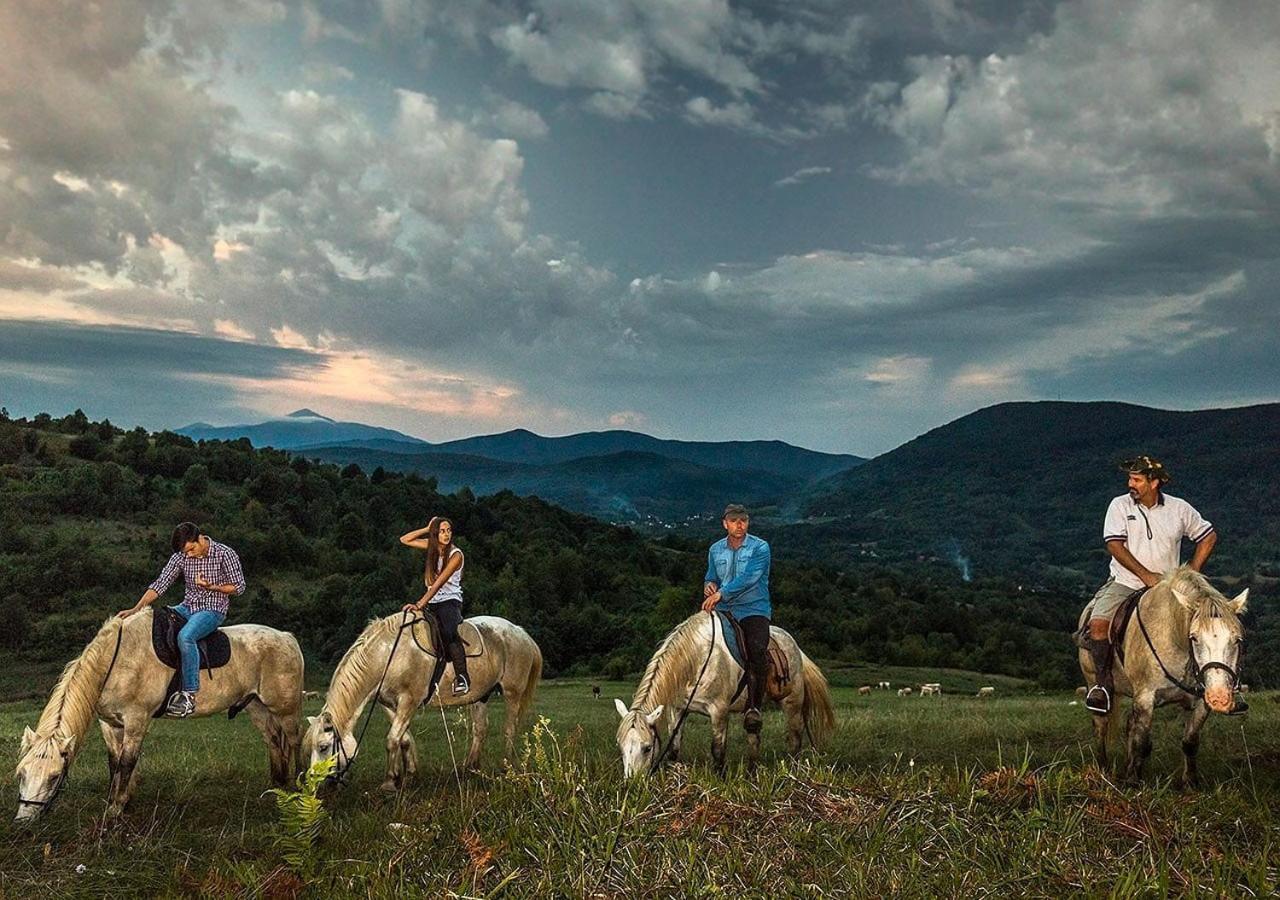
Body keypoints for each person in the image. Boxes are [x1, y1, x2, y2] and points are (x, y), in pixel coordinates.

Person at [1082, 456, 1231, 714]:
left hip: (1171, 588)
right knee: (1098, 623)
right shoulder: (1119, 506)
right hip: (1126, 583)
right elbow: (1114, 546)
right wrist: (1145, 575)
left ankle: (1224, 684)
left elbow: (1208, 537)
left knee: (1219, 624)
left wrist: (1190, 574)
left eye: (1137, 479)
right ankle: (1103, 686)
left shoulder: (1179, 508)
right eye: (1130, 478)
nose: (1131, 484)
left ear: (1155, 482)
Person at [117, 522, 245, 717]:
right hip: (187, 607)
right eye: (185, 552)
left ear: (199, 538)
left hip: (212, 609)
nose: (189, 555)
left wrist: (212, 587)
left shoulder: (224, 554)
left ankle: (189, 695)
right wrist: (136, 608)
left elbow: (239, 586)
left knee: (186, 637)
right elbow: (161, 583)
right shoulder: (181, 556)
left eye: (191, 549)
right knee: (157, 621)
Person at [701, 503, 772, 735]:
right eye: (734, 521)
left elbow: (750, 578)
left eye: (743, 520)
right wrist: (709, 586)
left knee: (756, 649)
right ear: (725, 523)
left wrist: (722, 593)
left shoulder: (760, 548)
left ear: (748, 522)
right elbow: (711, 575)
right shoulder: (715, 550)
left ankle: (753, 707)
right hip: (724, 610)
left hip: (753, 609)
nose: (739, 525)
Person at [401, 517, 470, 696]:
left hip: (449, 601)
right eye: (442, 531)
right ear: (435, 534)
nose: (446, 534)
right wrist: (426, 527)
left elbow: (439, 582)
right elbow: (404, 539)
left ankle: (463, 677)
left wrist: (419, 604)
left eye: (448, 530)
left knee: (448, 632)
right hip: (431, 602)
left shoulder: (456, 555)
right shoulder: (432, 548)